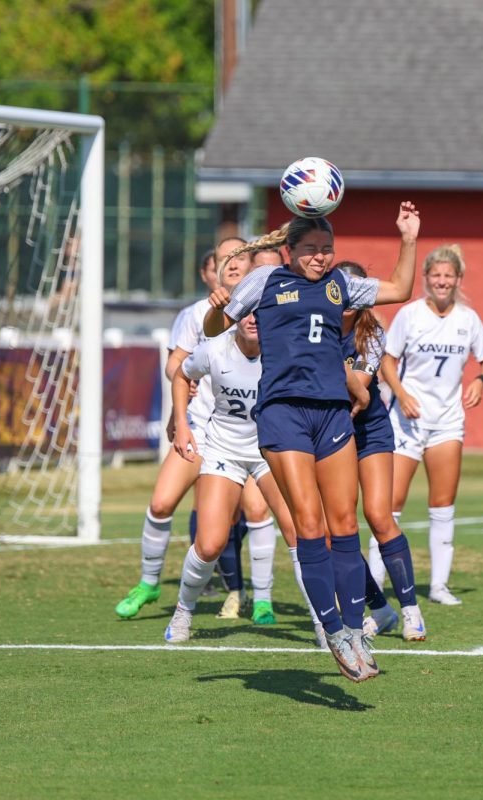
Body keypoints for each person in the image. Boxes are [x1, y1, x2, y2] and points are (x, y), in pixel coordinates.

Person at [204, 201, 421, 682]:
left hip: (332, 414)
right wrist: (219, 310)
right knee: (310, 524)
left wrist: (407, 238)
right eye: (311, 249)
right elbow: (214, 331)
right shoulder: (266, 282)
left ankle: (354, 629)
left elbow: (402, 289)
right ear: (289, 251)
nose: (321, 257)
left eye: (327, 249)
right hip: (283, 414)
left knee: (345, 524)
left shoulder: (340, 285)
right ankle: (334, 633)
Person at [114, 239, 257, 620]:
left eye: (240, 256)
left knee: (257, 519)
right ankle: (148, 583)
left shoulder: (264, 311)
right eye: (224, 257)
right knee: (161, 504)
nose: (232, 263)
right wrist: (182, 397)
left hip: (246, 436)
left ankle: (262, 599)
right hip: (199, 429)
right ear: (213, 268)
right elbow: (175, 364)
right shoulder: (195, 314)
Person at [163, 313, 321, 642]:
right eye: (246, 310)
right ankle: (183, 612)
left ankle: (324, 624)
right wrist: (182, 423)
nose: (253, 318)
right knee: (210, 544)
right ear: (235, 315)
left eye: (261, 312)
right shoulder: (215, 349)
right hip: (224, 451)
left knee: (300, 532)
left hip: (272, 450)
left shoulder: (286, 351)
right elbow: (181, 374)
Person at [380, 244, 483, 606]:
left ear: (458, 279)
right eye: (436, 275)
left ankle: (439, 586)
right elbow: (387, 359)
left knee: (443, 504)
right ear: (426, 278)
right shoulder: (410, 315)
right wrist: (401, 392)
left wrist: (480, 380)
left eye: (449, 276)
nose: (442, 281)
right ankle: (373, 581)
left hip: (447, 422)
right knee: (388, 505)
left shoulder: (468, 318)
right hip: (406, 422)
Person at [337, 261, 425, 642]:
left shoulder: (372, 333)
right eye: (342, 286)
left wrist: (318, 353)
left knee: (378, 514)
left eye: (357, 287)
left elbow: (358, 388)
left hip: (368, 429)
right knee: (336, 529)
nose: (348, 295)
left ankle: (411, 611)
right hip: (329, 431)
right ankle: (382, 610)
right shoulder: (313, 327)